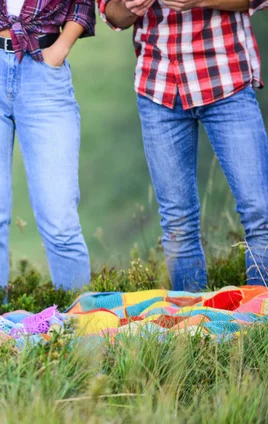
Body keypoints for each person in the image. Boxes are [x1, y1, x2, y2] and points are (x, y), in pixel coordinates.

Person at [98, 0, 268, 290]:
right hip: (158, 87)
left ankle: (261, 317)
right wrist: (131, 6)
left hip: (225, 78)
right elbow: (112, 13)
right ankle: (193, 325)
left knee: (259, 211)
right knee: (177, 224)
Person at [0, 0, 95, 290]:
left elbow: (82, 5)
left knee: (60, 219)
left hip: (45, 69)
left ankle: (80, 321)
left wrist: (59, 50)